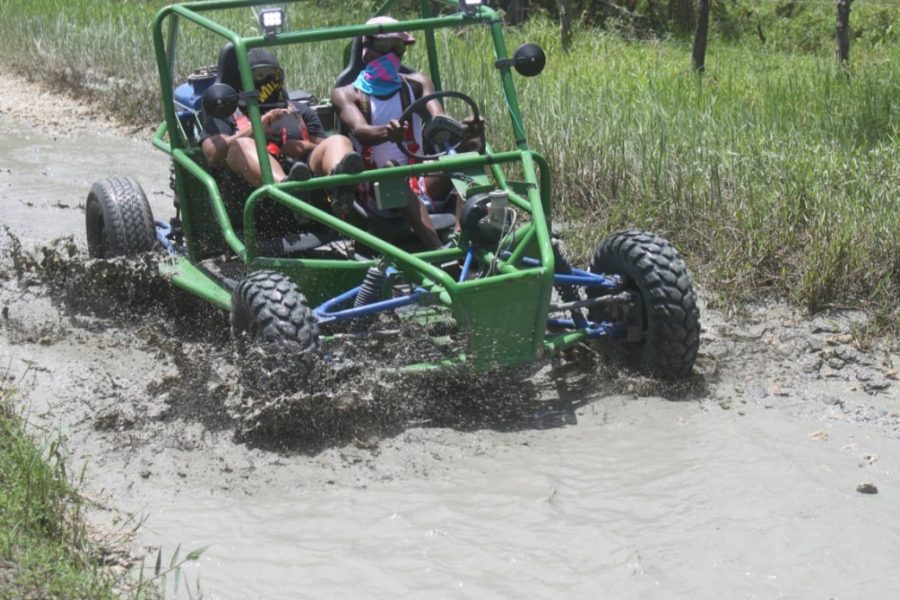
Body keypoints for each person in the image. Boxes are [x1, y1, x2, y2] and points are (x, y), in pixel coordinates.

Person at [331, 16, 483, 249]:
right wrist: (387, 133)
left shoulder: (417, 83)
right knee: (392, 170)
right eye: (383, 47)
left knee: (472, 144)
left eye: (397, 48)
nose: (390, 55)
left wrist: (464, 130)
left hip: (421, 176)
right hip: (376, 188)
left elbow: (438, 120)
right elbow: (361, 131)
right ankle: (439, 253)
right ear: (366, 49)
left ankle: (461, 240)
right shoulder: (347, 93)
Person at [200, 48, 363, 218]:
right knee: (241, 145)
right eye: (259, 75)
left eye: (272, 73)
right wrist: (256, 129)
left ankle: (340, 189)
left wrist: (304, 147)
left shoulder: (299, 110)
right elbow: (213, 156)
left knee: (339, 140)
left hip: (307, 187)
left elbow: (326, 148)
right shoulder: (225, 114)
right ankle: (289, 192)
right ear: (243, 79)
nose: (268, 80)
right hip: (253, 198)